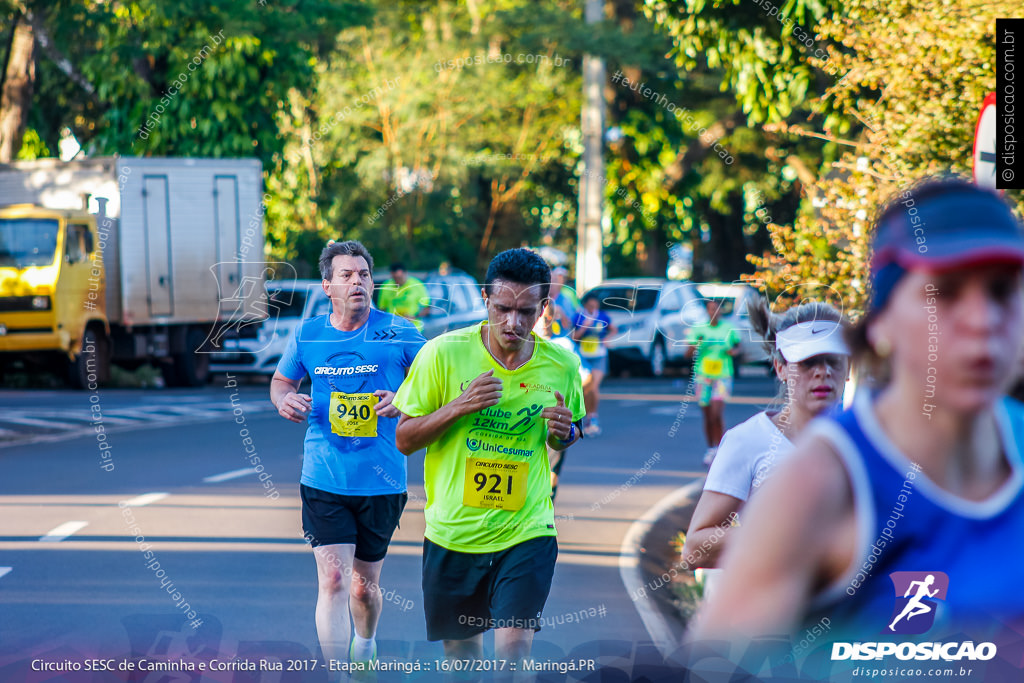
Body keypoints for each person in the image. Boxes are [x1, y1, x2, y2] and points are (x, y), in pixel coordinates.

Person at [690, 177, 1024, 650]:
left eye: (1002, 291)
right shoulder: (821, 482)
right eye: (945, 293)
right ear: (882, 321)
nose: (983, 320)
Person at [392, 248, 586, 666]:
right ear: (486, 299)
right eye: (503, 308)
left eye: (526, 312)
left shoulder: (563, 365)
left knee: (512, 658)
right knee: (463, 664)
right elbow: (404, 438)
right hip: (453, 533)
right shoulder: (442, 354)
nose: (513, 323)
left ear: (543, 308)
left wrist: (565, 433)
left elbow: (572, 431)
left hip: (527, 530)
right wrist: (459, 406)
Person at [270, 240, 425, 670]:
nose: (357, 281)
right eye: (346, 275)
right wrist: (284, 400)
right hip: (324, 477)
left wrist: (405, 398)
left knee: (363, 588)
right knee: (334, 580)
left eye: (363, 274)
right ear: (327, 285)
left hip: (382, 479)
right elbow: (282, 382)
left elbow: (437, 387)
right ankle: (340, 674)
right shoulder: (308, 334)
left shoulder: (402, 332)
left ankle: (367, 642)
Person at [681, 297, 850, 596]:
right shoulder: (748, 440)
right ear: (781, 368)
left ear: (848, 367)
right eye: (808, 361)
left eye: (833, 360)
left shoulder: (879, 442)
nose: (822, 372)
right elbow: (695, 549)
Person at [533, 293, 593, 500]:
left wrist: (569, 397)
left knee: (550, 477)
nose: (543, 321)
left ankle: (545, 508)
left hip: (554, 420)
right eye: (540, 316)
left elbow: (587, 377)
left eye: (547, 316)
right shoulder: (520, 345)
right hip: (527, 419)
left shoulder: (564, 346)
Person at [684, 299, 742, 466]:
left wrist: (733, 351)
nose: (713, 312)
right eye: (710, 310)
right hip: (703, 375)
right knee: (708, 415)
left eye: (716, 309)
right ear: (706, 312)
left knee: (717, 413)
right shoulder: (699, 329)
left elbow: (738, 348)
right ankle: (711, 449)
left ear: (721, 311)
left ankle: (720, 448)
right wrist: (697, 344)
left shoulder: (728, 329)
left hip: (722, 375)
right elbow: (687, 354)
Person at [572, 292, 616, 436]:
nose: (592, 307)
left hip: (599, 356)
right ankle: (585, 416)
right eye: (590, 305)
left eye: (595, 304)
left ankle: (593, 417)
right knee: (585, 388)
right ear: (585, 304)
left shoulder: (603, 316)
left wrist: (607, 339)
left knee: (594, 386)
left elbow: (613, 329)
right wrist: (584, 327)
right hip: (583, 357)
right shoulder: (578, 316)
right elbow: (574, 337)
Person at [377, 262, 430, 330]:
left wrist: (414, 317)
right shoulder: (386, 286)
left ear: (405, 273)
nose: (397, 281)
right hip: (394, 330)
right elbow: (382, 309)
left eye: (400, 277)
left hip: (413, 329)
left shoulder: (417, 285)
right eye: (395, 278)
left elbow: (427, 309)